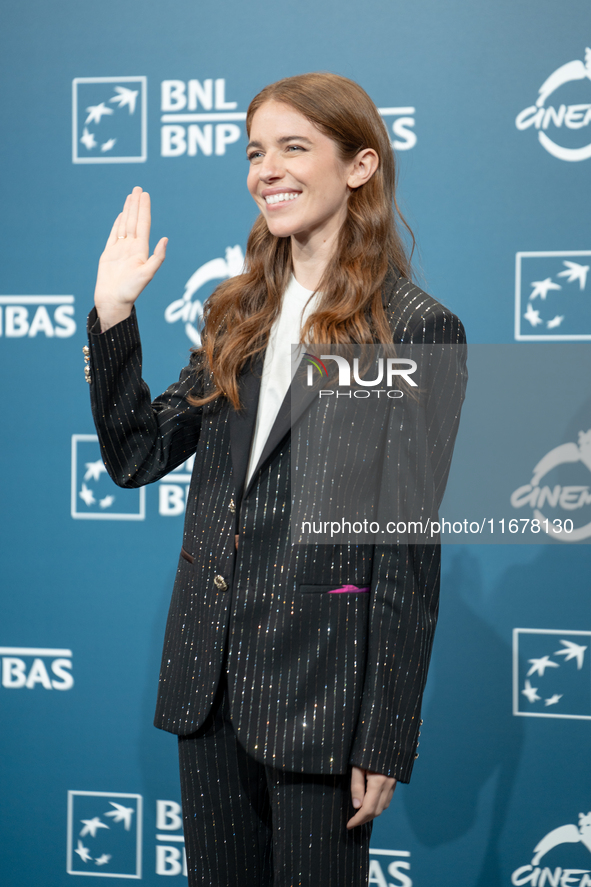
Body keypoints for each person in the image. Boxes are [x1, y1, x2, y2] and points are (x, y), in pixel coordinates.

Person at [86, 72, 466, 887]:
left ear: (359, 165)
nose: (268, 169)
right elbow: (137, 456)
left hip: (324, 702)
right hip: (207, 687)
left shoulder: (416, 328)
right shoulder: (236, 312)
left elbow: (405, 547)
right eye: (256, 151)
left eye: (294, 147)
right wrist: (115, 317)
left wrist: (384, 734)